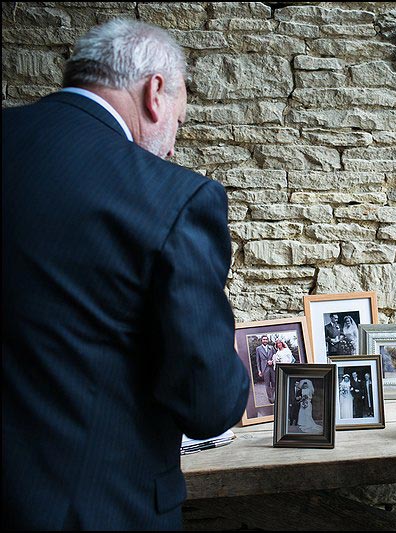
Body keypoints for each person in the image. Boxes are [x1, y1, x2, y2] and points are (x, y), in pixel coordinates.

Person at [1, 19, 250, 530]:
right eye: (179, 122)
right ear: (155, 93)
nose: (173, 148)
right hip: (97, 509)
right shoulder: (171, 197)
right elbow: (207, 404)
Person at [256, 335, 277, 404]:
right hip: (264, 368)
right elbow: (258, 360)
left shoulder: (271, 347)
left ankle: (273, 396)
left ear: (268, 340)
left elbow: (275, 357)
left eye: (266, 339)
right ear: (261, 340)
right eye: (263, 339)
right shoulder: (258, 349)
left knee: (274, 382)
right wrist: (259, 370)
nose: (265, 340)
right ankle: (270, 398)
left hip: (272, 368)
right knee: (267, 384)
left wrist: (272, 361)